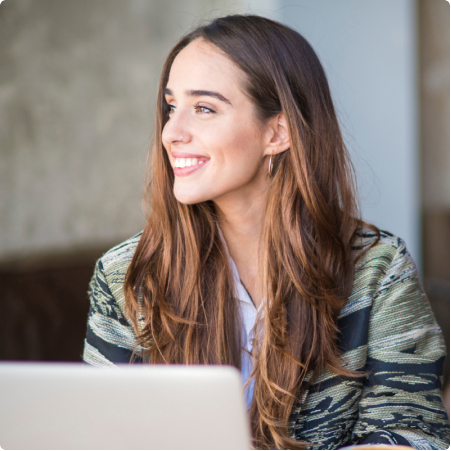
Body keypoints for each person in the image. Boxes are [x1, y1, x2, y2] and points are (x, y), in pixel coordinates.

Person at [83, 15, 449, 450]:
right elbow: (99, 433)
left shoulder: (378, 269)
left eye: (203, 108)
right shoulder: (127, 274)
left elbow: (413, 434)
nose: (171, 133)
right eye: (170, 107)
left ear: (277, 132)